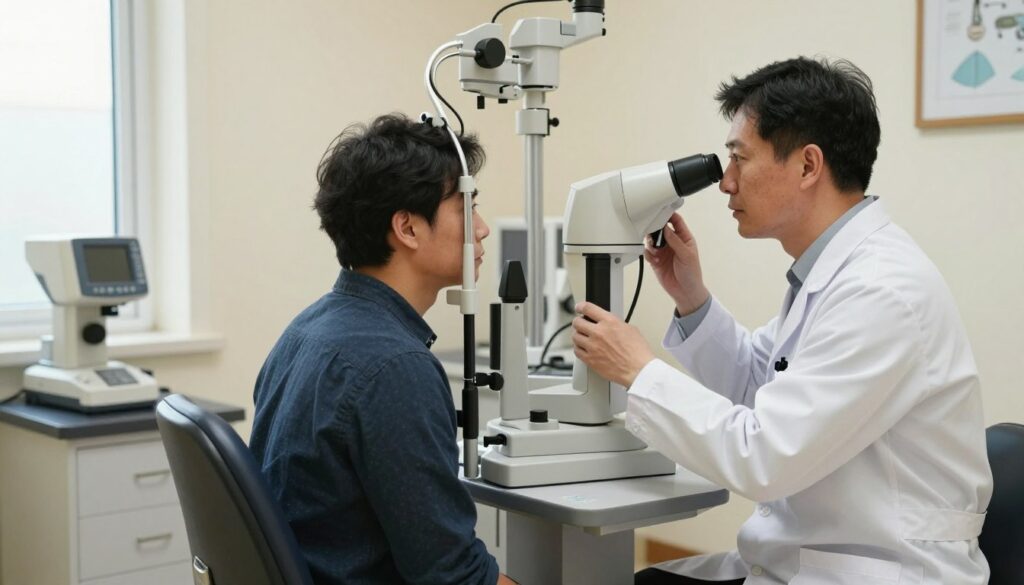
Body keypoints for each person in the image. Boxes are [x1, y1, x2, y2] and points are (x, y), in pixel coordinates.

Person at [571, 57, 992, 585]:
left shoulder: (881, 292)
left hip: (880, 571)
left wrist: (639, 371)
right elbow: (759, 384)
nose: (725, 183)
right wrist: (691, 299)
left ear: (808, 166)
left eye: (738, 159)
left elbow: (764, 456)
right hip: (807, 558)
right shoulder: (832, 272)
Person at [249, 114, 515, 585]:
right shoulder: (396, 367)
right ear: (408, 228)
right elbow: (452, 578)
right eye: (466, 207)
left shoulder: (305, 330)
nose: (483, 228)